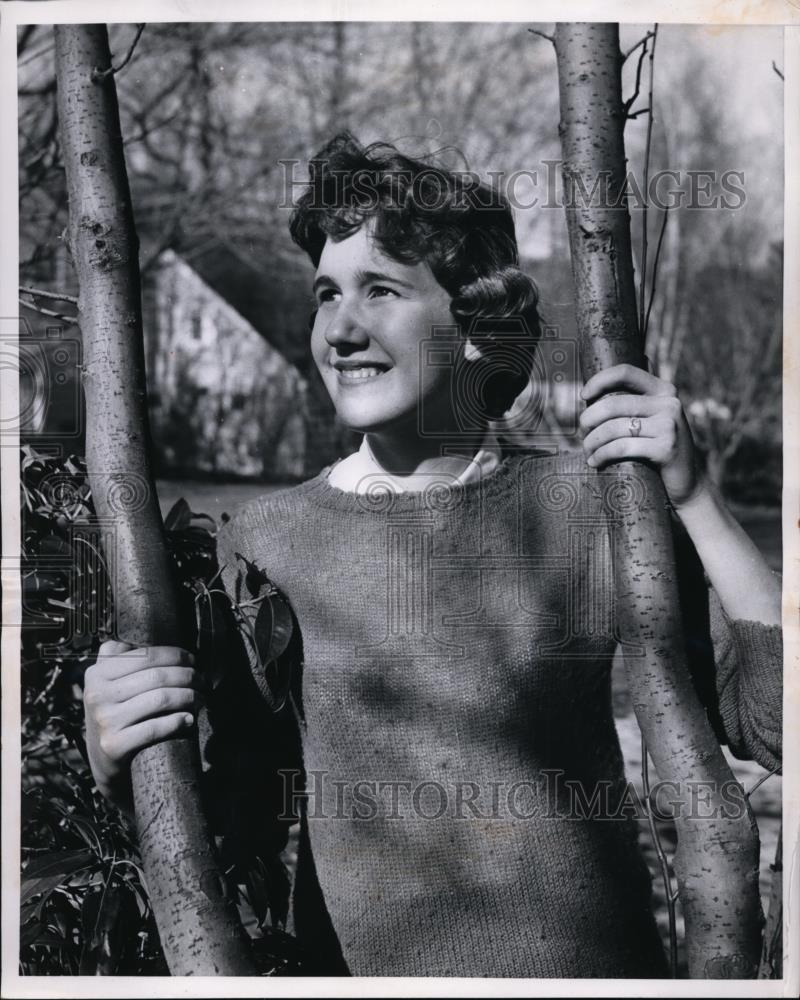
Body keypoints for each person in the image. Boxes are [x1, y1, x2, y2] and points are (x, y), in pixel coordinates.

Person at [84, 133, 782, 977]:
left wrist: (695, 498)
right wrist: (116, 751)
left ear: (478, 324)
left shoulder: (589, 508)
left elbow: (773, 722)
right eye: (325, 294)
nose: (340, 328)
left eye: (380, 289)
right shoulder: (265, 543)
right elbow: (232, 821)